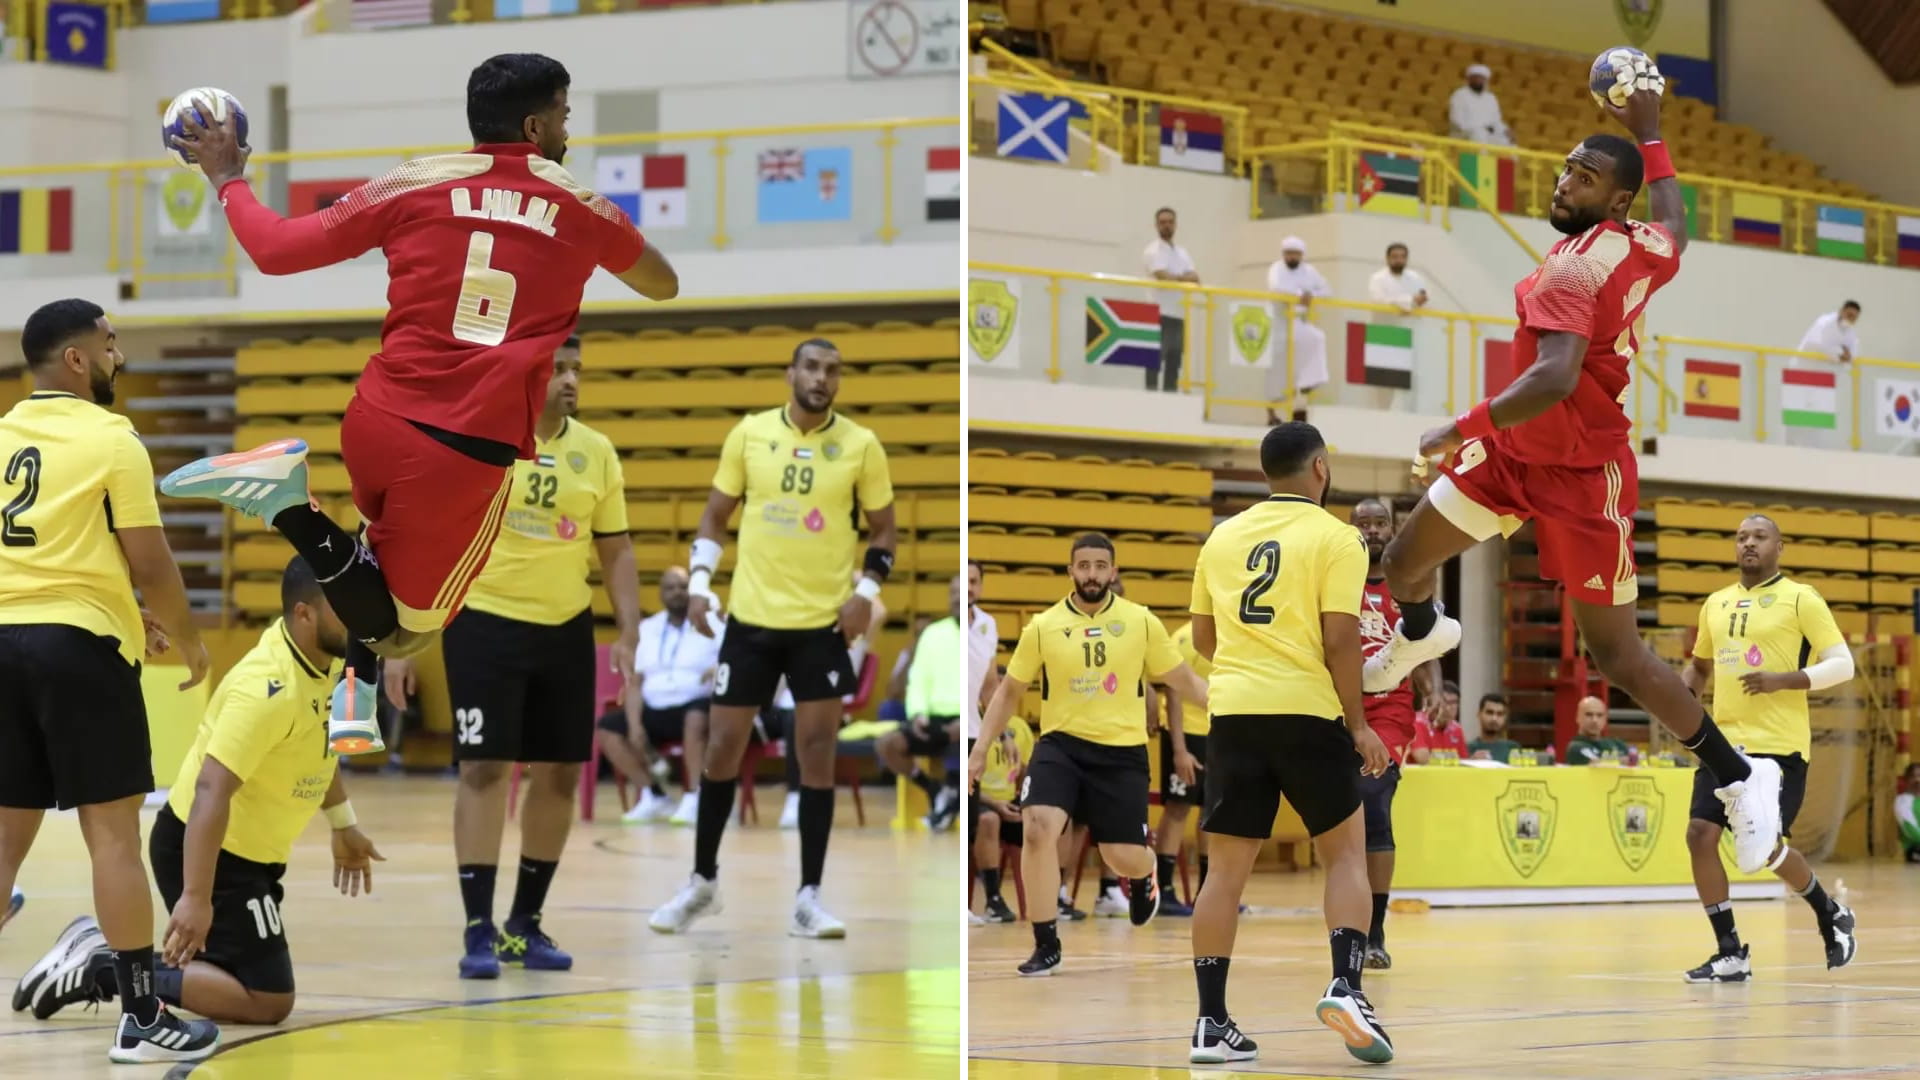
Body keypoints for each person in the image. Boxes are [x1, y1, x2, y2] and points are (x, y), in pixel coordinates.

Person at [159, 53, 678, 758]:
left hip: (376, 417)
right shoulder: (582, 207)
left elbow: (276, 251)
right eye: (562, 115)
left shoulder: (416, 180)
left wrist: (227, 180)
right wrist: (595, 233)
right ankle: (286, 504)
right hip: (463, 452)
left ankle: (354, 695)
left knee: (372, 563)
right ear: (534, 124)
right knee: (408, 629)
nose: (567, 128)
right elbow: (663, 285)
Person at [1359, 66, 1786, 876]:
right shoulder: (1640, 245)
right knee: (1404, 562)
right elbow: (1675, 223)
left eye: (1584, 178)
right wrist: (1653, 125)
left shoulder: (1572, 270)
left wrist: (1458, 426)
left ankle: (1738, 779)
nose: (1565, 182)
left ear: (1611, 201)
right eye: (1565, 167)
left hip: (1584, 475)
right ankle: (1424, 635)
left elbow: (1553, 377)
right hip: (1517, 456)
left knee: (1619, 659)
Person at [24, 558, 382, 1029]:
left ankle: (112, 959)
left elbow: (317, 745)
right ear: (304, 615)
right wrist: (196, 896)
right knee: (267, 998)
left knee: (239, 977)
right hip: (210, 850)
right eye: (343, 609)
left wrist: (343, 823)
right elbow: (212, 790)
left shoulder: (334, 661)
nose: (357, 619)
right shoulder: (264, 689)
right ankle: (106, 968)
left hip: (250, 855)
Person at [0, 299, 221, 1062]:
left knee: (3, 842)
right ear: (75, 359)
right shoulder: (110, 435)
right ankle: (140, 1018)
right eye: (110, 343)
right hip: (77, 651)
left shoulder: (1, 437)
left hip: (3, 640)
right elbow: (151, 557)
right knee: (113, 836)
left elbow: (40, 554)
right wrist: (188, 639)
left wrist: (117, 608)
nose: (118, 356)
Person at [381, 337, 638, 979]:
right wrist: (401, 640)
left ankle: (525, 924)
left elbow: (617, 550)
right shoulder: (481, 439)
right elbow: (423, 534)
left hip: (565, 627)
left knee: (557, 775)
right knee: (485, 769)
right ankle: (477, 927)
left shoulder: (596, 452)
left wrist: (630, 632)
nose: (572, 379)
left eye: (579, 367)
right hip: (484, 620)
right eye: (560, 368)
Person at [650, 339, 896, 939]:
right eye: (811, 367)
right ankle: (702, 882)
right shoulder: (749, 434)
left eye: (833, 370)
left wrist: (866, 592)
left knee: (815, 754)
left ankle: (809, 896)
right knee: (721, 749)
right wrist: (702, 581)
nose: (821, 378)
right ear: (791, 373)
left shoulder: (861, 446)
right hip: (752, 622)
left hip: (821, 626)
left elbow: (885, 529)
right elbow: (714, 516)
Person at [1182, 422, 1394, 1065]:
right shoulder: (1338, 539)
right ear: (1321, 468)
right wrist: (1359, 726)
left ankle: (1210, 1022)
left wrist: (1251, 667)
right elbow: (1340, 641)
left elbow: (1202, 638)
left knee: (1225, 871)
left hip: (1236, 713)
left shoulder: (1221, 537)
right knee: (1346, 855)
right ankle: (1347, 986)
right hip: (1307, 711)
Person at [968, 532, 1211, 976]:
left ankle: (1144, 872)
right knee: (1038, 826)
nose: (1092, 574)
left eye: (1101, 566)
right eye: (1084, 566)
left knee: (1120, 854)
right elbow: (1007, 694)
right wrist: (979, 751)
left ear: (1113, 572)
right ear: (1070, 571)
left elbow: (1185, 683)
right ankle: (1046, 942)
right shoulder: (1042, 625)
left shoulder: (1141, 621)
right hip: (1061, 746)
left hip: (1121, 752)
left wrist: (1235, 708)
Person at [1679, 514, 1856, 980]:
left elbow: (1843, 665)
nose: (1748, 544)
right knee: (1700, 835)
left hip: (1778, 747)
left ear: (1780, 546)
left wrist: (1786, 680)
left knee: (1766, 847)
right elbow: (1698, 668)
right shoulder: (1715, 603)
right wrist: (1679, 698)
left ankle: (1829, 911)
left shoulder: (1802, 598)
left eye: (1759, 537)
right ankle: (1729, 950)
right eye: (1740, 538)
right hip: (1723, 744)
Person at [1350, 497, 1435, 970]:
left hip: (1389, 711)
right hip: (1336, 707)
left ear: (1393, 527)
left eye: (1381, 522)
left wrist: (1436, 693)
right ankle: (1346, 927)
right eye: (1364, 523)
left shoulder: (1408, 583)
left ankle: (1375, 932)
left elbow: (1426, 647)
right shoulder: (1334, 581)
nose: (1374, 530)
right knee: (1342, 818)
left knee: (1374, 803)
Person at [605, 567, 721, 824]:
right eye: (670, 587)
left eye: (683, 587)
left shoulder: (712, 623)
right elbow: (636, 682)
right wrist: (635, 726)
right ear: (660, 594)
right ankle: (653, 795)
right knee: (607, 729)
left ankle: (694, 797)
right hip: (656, 706)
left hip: (698, 705)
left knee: (695, 717)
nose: (677, 592)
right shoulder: (647, 628)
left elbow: (731, 663)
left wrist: (716, 669)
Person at [877, 576, 965, 830]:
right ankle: (934, 789)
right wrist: (917, 715)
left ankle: (953, 796)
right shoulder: (933, 634)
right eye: (952, 592)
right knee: (887, 745)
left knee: (967, 740)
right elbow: (918, 680)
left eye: (963, 591)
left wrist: (969, 717)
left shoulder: (983, 632)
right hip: (934, 719)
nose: (957, 597)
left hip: (969, 721)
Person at [1149, 618, 1212, 917]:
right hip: (1185, 735)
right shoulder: (1183, 638)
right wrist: (1179, 749)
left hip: (1220, 735)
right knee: (1178, 808)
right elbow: (1172, 694)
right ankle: (1164, 890)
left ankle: (1209, 892)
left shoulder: (1231, 635)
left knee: (1214, 811)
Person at [970, 713, 1034, 924]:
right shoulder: (974, 725)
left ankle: (1055, 897)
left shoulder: (1020, 727)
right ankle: (993, 900)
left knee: (1043, 821)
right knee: (989, 820)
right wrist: (995, 804)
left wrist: (1023, 803)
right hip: (979, 799)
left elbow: (1025, 772)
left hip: (1009, 801)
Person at [1264, 237, 1332, 421]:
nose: (1292, 257)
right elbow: (1277, 288)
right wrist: (1300, 294)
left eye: (1296, 254)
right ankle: (1271, 412)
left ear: (1301, 255)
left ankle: (1308, 385)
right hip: (1279, 324)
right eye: (1289, 253)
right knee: (1276, 369)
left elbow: (1326, 290)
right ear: (1283, 254)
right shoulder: (1276, 269)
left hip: (1300, 323)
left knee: (1317, 339)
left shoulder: (1309, 271)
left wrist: (1312, 295)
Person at [1144, 207, 1199, 393]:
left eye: (1170, 222)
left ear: (1175, 225)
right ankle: (1149, 397)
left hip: (1178, 313)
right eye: (1162, 222)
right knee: (1154, 361)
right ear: (1156, 225)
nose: (1166, 226)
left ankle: (1170, 399)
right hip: (1158, 313)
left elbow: (1196, 278)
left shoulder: (1182, 252)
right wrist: (1183, 278)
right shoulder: (1152, 251)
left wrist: (1177, 278)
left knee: (1174, 362)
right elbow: (1162, 277)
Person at [1449, 63, 1512, 145]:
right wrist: (1478, 129)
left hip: (1486, 134)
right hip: (1463, 134)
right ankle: (1474, 159)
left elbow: (1496, 121)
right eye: (1476, 77)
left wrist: (1505, 130)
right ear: (1469, 79)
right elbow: (1456, 121)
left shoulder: (1491, 98)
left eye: (1482, 78)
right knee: (1478, 135)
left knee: (1506, 141)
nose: (1479, 80)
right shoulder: (1460, 95)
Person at [1367, 244, 1430, 318]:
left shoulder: (1416, 277)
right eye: (1395, 257)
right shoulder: (1377, 278)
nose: (1399, 260)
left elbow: (1423, 298)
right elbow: (1379, 301)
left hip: (1410, 325)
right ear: (1387, 258)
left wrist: (1417, 301)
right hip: (1385, 325)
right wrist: (1410, 301)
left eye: (1403, 257)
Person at [1408, 690, 1469, 763]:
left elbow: (1463, 761)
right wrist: (1452, 756)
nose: (1449, 707)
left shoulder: (1457, 729)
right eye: (1445, 702)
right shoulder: (1417, 721)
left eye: (1454, 703)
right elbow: (1422, 758)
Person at [1564, 696, 1630, 764]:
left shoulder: (1618, 744)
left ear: (1605, 720)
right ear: (1578, 718)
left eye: (1599, 715)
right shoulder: (1575, 748)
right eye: (1589, 714)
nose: (1594, 720)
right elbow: (1598, 766)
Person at [1795, 301, 1861, 365]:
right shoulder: (1825, 322)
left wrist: (1848, 356)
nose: (1851, 319)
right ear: (1841, 311)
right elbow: (1818, 344)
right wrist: (1841, 352)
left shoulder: (1850, 331)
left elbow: (1853, 351)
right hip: (1803, 365)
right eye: (1849, 315)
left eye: (1854, 317)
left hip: (1825, 369)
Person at [1467, 693, 1521, 762]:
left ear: (1505, 718)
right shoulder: (1468, 748)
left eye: (1500, 714)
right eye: (1489, 712)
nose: (1494, 718)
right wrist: (1470, 762)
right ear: (1479, 714)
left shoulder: (1513, 748)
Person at [1896, 764, 1920, 863]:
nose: (1917, 780)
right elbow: (1911, 830)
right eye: (1913, 776)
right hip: (1915, 849)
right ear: (1906, 780)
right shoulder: (1903, 801)